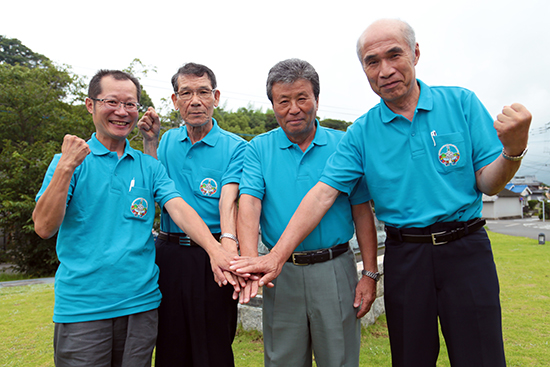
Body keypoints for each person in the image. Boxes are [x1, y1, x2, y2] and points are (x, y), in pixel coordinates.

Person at [232, 19, 532, 367]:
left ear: (415, 53)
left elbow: (489, 182)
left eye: (394, 55)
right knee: (411, 358)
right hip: (407, 254)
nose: (385, 70)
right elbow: (322, 195)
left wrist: (512, 151)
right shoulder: (361, 132)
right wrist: (275, 256)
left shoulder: (461, 103)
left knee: (481, 355)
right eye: (372, 61)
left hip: (466, 249)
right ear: (364, 69)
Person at [33, 69, 236, 367]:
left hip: (141, 307)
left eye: (130, 104)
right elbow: (43, 227)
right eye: (111, 101)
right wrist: (65, 168)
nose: (121, 111)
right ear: (91, 105)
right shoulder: (69, 162)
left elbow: (178, 207)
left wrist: (216, 249)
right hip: (84, 309)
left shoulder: (148, 166)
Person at [235, 58, 379, 367]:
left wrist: (369, 273)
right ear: (272, 104)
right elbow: (249, 203)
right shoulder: (258, 148)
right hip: (280, 271)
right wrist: (251, 263)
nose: (294, 108)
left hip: (335, 268)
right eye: (283, 101)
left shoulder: (344, 145)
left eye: (302, 98)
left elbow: (362, 211)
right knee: (282, 359)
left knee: (339, 358)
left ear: (316, 98)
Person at [138, 63, 247, 367]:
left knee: (214, 347)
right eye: (186, 93)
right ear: (175, 100)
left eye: (203, 92)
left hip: (213, 255)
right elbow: (154, 187)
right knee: (170, 345)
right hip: (169, 253)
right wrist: (150, 142)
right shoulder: (167, 141)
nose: (195, 101)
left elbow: (229, 200)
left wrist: (227, 245)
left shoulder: (237, 147)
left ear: (216, 97)